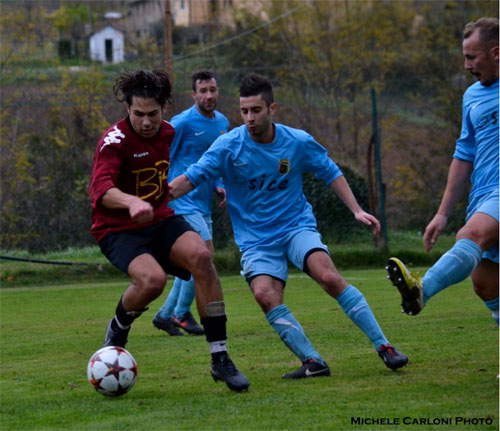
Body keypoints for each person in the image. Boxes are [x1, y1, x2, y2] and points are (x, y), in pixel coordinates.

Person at [169, 73, 409, 378]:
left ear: (273, 109)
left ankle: (384, 346)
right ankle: (313, 361)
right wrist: (150, 202)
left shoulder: (297, 141)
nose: (249, 118)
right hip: (256, 240)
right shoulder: (228, 146)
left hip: (296, 226)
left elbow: (329, 170)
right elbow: (190, 177)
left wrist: (357, 210)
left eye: (256, 110)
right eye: (244, 111)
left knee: (328, 276)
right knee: (264, 295)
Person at [88, 70, 249, 392]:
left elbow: (197, 161)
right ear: (127, 110)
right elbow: (101, 188)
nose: (146, 122)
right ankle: (118, 329)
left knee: (203, 257)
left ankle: (220, 358)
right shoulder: (114, 141)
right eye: (138, 115)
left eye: (153, 114)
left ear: (164, 109)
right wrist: (131, 202)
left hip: (160, 219)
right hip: (118, 229)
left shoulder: (168, 133)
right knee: (153, 281)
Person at [386, 17, 499, 325]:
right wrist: (442, 213)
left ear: (496, 53)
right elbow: (464, 155)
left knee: (471, 235)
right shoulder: (472, 97)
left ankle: (422, 289)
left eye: (471, 57)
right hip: (483, 195)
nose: (466, 65)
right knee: (487, 285)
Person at [152, 70, 228, 337]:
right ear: (193, 94)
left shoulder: (222, 123)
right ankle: (181, 313)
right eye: (203, 91)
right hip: (181, 201)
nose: (209, 95)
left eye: (213, 89)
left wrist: (220, 184)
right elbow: (163, 157)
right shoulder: (181, 123)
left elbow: (218, 161)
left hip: (203, 201)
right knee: (204, 254)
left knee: (194, 262)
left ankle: (165, 315)